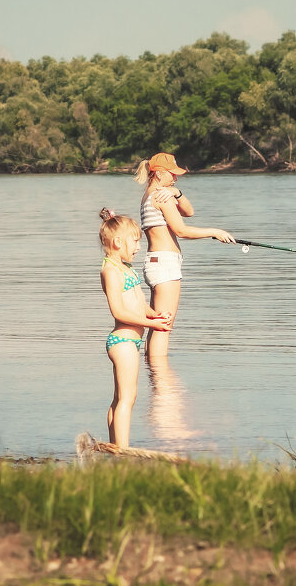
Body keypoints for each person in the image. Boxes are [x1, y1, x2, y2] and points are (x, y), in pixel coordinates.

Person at [134, 152, 235, 360]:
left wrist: (176, 192)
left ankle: (153, 375)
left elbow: (189, 211)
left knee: (158, 324)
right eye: (173, 174)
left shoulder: (151, 195)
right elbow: (181, 230)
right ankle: (161, 380)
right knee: (164, 326)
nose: (176, 178)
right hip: (165, 265)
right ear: (160, 173)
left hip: (155, 263)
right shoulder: (161, 197)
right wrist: (214, 232)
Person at [98, 207, 172, 448]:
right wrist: (150, 324)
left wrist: (155, 315)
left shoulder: (125, 268)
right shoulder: (110, 270)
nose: (139, 247)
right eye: (135, 241)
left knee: (119, 398)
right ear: (118, 242)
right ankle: (122, 451)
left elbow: (139, 304)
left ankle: (112, 448)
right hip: (123, 341)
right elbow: (118, 312)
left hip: (130, 342)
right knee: (128, 399)